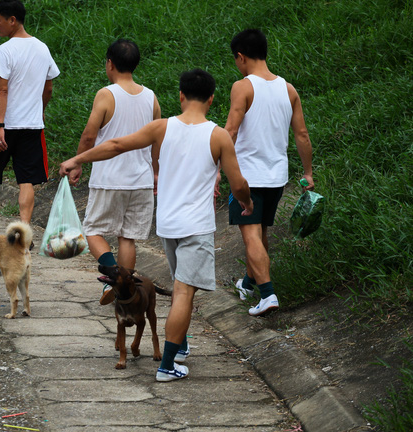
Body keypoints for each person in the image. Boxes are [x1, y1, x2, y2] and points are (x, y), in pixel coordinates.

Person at [60, 69, 253, 382]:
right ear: (212, 99)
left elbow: (116, 144)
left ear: (180, 96)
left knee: (181, 287)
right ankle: (167, 366)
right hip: (196, 226)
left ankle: (181, 345)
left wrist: (78, 158)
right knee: (184, 292)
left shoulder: (162, 128)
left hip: (168, 225)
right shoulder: (217, 135)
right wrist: (246, 203)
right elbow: (238, 182)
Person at [223, 29, 314, 316]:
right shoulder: (288, 89)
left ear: (241, 57)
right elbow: (301, 134)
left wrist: (215, 169)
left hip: (248, 178)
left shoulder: (243, 86)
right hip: (277, 179)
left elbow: (230, 132)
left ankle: (268, 295)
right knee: (260, 234)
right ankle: (249, 283)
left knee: (251, 236)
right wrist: (308, 173)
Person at [67, 39, 161, 305]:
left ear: (110, 63)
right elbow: (156, 141)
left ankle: (113, 275)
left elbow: (89, 136)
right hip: (140, 180)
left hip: (110, 179)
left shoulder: (107, 94)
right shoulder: (151, 97)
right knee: (127, 236)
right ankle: (123, 289)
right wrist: (155, 171)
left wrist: (78, 162)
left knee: (93, 230)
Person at [0, 0, 60, 241]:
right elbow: (48, 89)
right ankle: (24, 231)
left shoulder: (4, 50)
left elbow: (2, 90)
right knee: (26, 181)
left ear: (12, 20)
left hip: (4, 126)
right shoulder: (42, 48)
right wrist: (39, 111)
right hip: (31, 126)